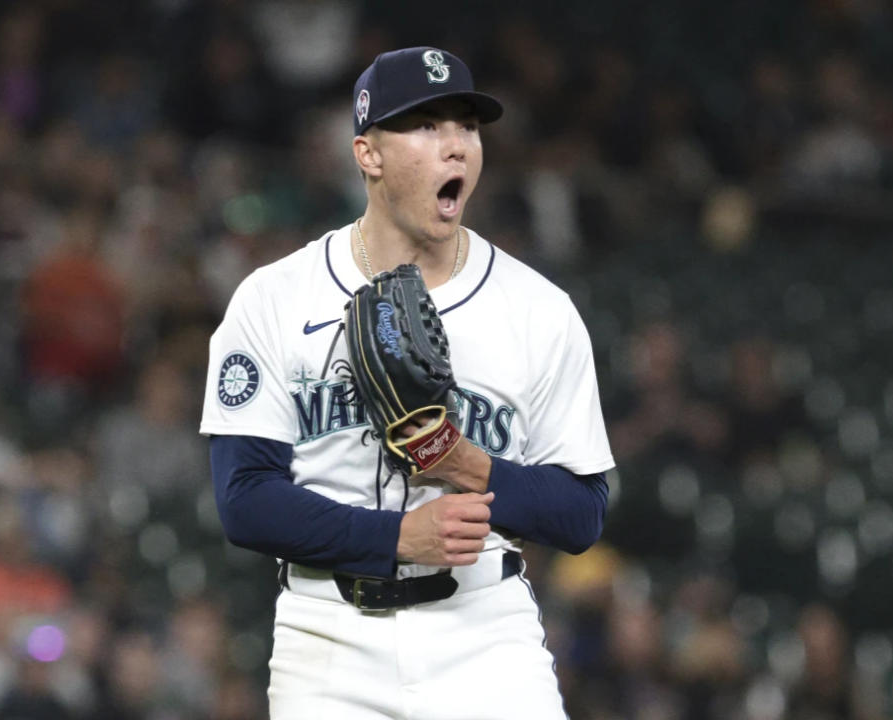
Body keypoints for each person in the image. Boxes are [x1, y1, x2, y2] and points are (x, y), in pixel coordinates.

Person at [200, 46, 615, 719]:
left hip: (487, 628)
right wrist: (394, 539)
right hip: (328, 635)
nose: (455, 146)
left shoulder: (538, 309)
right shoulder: (274, 299)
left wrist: (465, 463)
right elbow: (244, 501)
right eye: (425, 126)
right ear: (368, 154)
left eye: (467, 126)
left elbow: (581, 512)